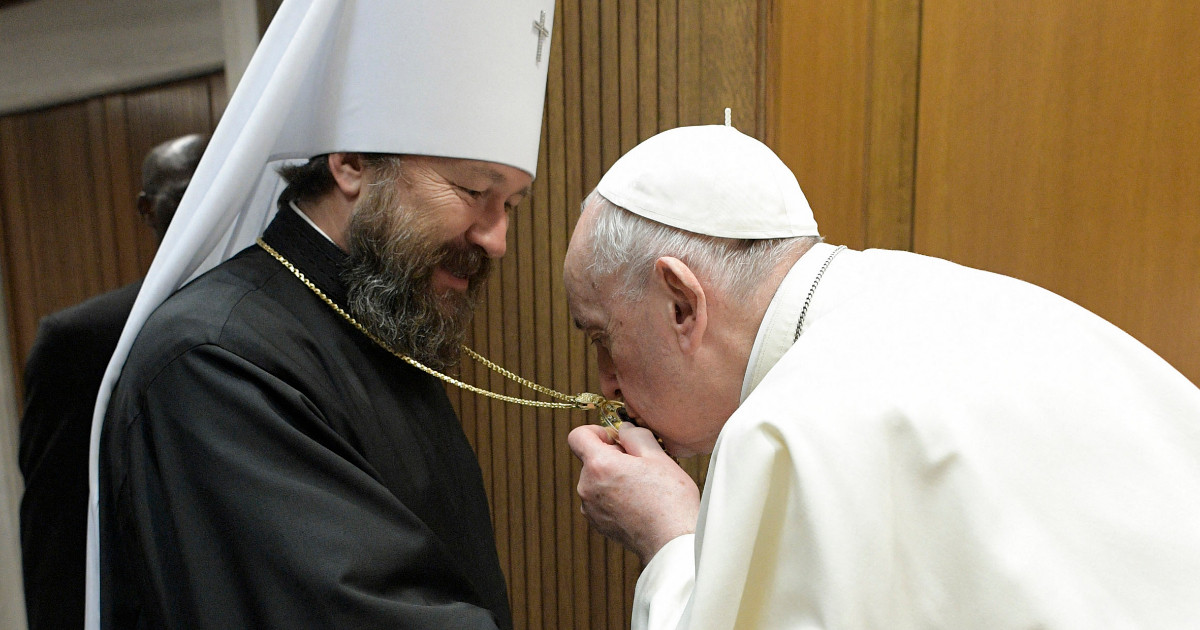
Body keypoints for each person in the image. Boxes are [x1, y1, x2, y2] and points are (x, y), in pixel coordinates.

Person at [564, 124, 1200, 629]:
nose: (607, 382)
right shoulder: (951, 292)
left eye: (602, 337)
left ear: (681, 303)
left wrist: (669, 535)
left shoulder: (788, 430)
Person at [90, 1, 555, 628]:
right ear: (353, 163)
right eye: (475, 192)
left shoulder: (379, 315)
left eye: (512, 204)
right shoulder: (216, 360)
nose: (496, 237)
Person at [18, 133, 207, 630]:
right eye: (185, 191)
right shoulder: (80, 342)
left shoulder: (279, 314)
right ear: (147, 210)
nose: (203, 204)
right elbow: (57, 530)